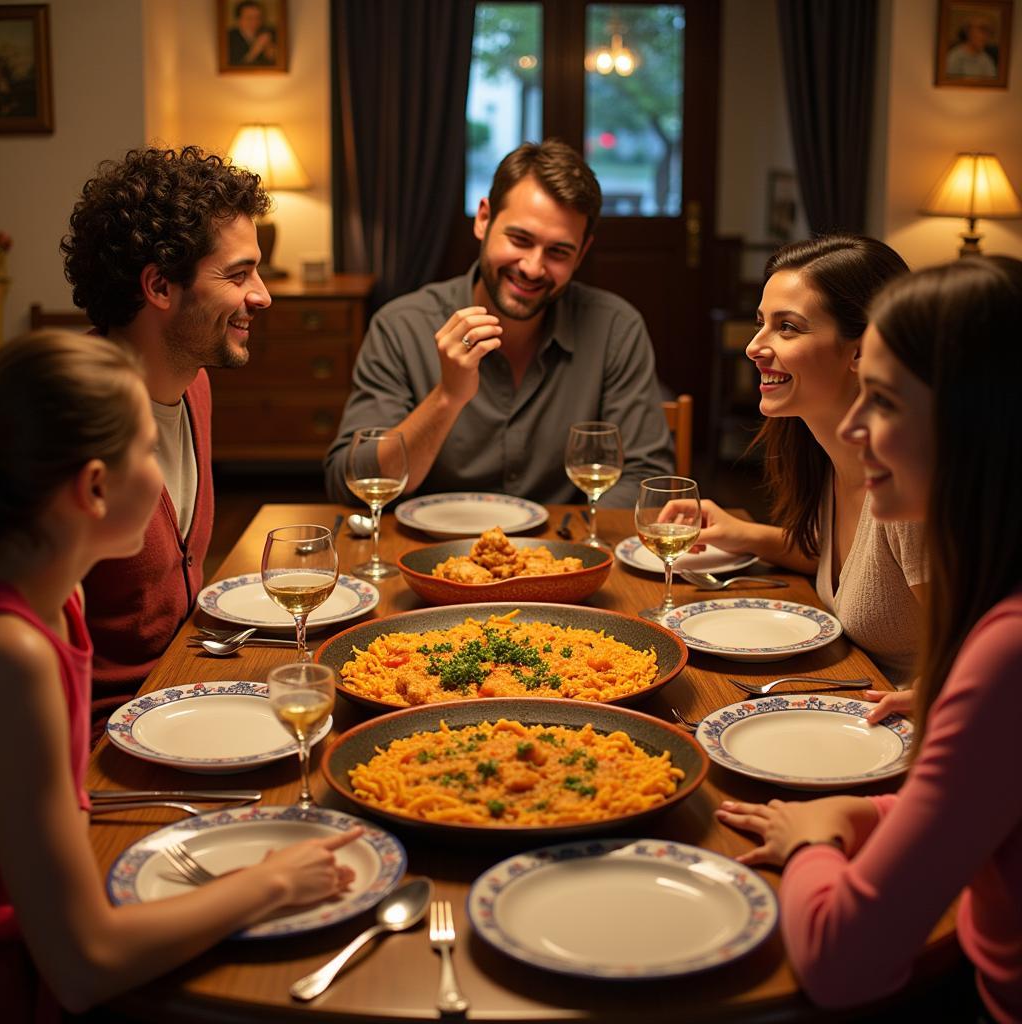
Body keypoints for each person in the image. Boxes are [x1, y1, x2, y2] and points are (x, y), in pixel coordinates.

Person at [0, 331, 362, 1019]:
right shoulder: (16, 652)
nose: (162, 473)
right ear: (95, 489)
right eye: (145, 450)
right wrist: (270, 883)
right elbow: (85, 963)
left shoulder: (61, 599)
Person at [716, 256, 1022, 1022]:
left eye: (882, 401)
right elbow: (982, 792)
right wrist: (864, 815)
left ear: (974, 419)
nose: (855, 428)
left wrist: (811, 841)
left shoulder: (1004, 655)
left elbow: (841, 962)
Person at [323, 139, 673, 509]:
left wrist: (573, 547)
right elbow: (351, 483)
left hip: (562, 556)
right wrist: (447, 398)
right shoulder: (401, 325)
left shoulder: (615, 328)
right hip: (431, 557)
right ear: (484, 219)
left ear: (582, 254)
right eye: (520, 239)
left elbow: (644, 477)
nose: (533, 268)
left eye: (558, 252)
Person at [60, 145, 272, 717]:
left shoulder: (194, 383)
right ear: (159, 286)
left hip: (188, 686)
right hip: (105, 741)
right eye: (238, 274)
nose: (263, 294)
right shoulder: (71, 421)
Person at [674, 235, 922, 690]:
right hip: (850, 696)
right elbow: (860, 574)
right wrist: (744, 534)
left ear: (862, 349)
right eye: (760, 323)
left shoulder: (906, 481)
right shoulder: (827, 454)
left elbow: (988, 646)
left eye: (787, 327)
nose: (754, 346)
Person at [227, 0, 278, 66]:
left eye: (258, 18)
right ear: (239, 20)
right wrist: (255, 50)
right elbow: (232, 68)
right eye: (249, 18)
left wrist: (273, 55)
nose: (255, 23)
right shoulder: (228, 39)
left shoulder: (271, 33)